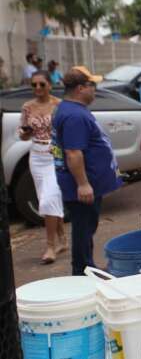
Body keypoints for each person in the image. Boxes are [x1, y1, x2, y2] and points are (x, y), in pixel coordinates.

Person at [52, 66, 122, 276]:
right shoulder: (74, 115)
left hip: (87, 183)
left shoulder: (72, 110)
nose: (95, 89)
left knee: (86, 227)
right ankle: (82, 272)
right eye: (92, 85)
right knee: (83, 228)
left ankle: (87, 266)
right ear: (81, 88)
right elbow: (73, 152)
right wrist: (83, 184)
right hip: (82, 186)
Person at [18, 71, 65, 264]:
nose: (38, 88)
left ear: (49, 85)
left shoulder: (58, 105)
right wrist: (25, 132)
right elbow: (22, 135)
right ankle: (62, 240)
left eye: (41, 84)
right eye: (34, 85)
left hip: (54, 156)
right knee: (47, 200)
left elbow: (64, 130)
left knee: (48, 200)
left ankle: (50, 246)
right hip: (36, 155)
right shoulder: (27, 107)